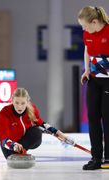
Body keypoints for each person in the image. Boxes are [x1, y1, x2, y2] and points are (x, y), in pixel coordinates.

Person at [0, 88, 70, 159]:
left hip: (23, 142)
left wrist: (59, 133)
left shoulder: (32, 109)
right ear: (12, 101)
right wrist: (14, 145)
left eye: (23, 103)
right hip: (9, 147)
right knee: (37, 129)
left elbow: (42, 124)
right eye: (17, 103)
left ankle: (22, 152)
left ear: (27, 102)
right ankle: (17, 152)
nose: (20, 106)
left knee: (37, 131)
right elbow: (3, 139)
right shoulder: (4, 113)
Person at [78, 6, 109, 170]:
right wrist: (87, 70)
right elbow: (87, 50)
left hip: (108, 81)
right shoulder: (87, 34)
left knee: (107, 118)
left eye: (85, 26)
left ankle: (108, 158)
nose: (84, 29)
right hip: (94, 80)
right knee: (93, 118)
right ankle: (96, 157)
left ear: (95, 22)